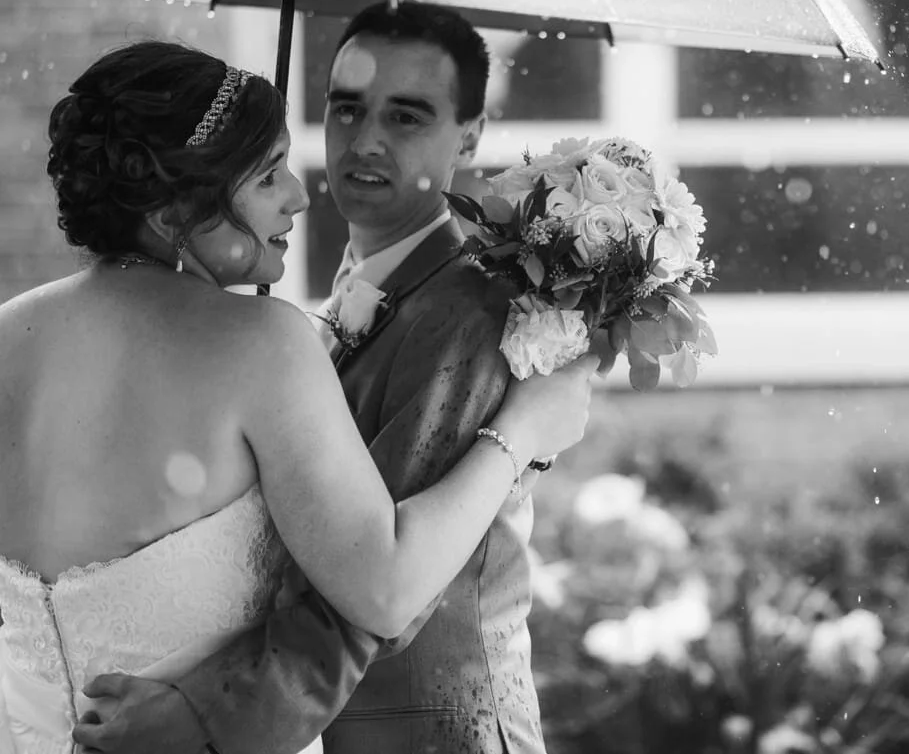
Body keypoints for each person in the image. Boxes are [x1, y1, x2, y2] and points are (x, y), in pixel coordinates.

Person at [0, 39, 596, 754]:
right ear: (170, 217)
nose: (298, 193)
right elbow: (385, 589)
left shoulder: (8, 334)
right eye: (264, 175)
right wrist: (520, 434)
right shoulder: (261, 342)